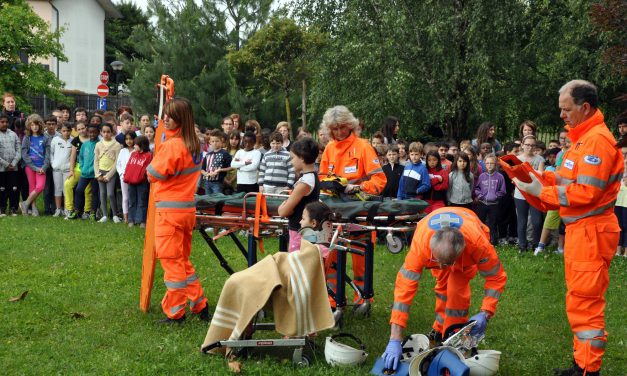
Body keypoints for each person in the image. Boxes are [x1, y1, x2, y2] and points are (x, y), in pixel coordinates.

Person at [513, 80, 623, 376]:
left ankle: (589, 370)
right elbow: (563, 182)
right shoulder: (582, 139)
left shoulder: (596, 141)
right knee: (579, 300)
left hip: (591, 233)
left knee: (586, 302)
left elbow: (586, 193)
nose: (561, 115)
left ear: (584, 108)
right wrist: (532, 177)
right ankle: (582, 364)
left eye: (566, 109)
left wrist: (540, 190)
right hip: (582, 233)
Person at [381, 207, 507, 372]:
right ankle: (439, 330)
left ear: (461, 251)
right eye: (437, 260)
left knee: (456, 293)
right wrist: (395, 337)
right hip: (436, 242)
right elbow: (404, 290)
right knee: (442, 286)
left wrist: (486, 312)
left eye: (446, 263)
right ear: (432, 248)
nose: (440, 267)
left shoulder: (477, 244)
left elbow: (496, 277)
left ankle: (452, 341)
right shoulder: (421, 245)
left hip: (468, 237)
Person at [146, 98, 209, 324]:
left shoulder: (172, 145)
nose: (165, 119)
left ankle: (175, 312)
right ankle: (199, 303)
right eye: (165, 115)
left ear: (180, 120)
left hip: (169, 213)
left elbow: (152, 174)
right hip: (186, 211)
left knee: (172, 263)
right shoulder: (195, 145)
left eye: (170, 116)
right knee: (182, 260)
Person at [318, 105, 386, 306]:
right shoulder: (330, 148)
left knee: (361, 257)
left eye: (341, 127)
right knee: (329, 253)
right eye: (334, 128)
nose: (338, 132)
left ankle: (363, 297)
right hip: (332, 211)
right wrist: (332, 186)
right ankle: (332, 297)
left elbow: (379, 181)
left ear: (350, 125)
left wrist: (356, 188)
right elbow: (322, 176)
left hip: (358, 210)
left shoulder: (363, 146)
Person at [277, 137, 320, 252]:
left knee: (296, 265)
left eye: (292, 158)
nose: (291, 161)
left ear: (301, 158)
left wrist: (283, 206)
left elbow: (283, 212)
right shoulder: (311, 177)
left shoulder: (304, 183)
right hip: (304, 229)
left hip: (299, 230)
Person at [514, 134, 544, 252]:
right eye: (527, 145)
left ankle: (535, 244)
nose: (530, 147)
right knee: (522, 221)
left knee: (536, 221)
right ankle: (522, 245)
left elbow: (541, 175)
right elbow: (514, 176)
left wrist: (528, 173)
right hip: (520, 194)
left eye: (532, 145)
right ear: (522, 145)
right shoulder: (517, 159)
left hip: (535, 194)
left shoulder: (539, 159)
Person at [19, 115, 50, 216]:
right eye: (32, 125)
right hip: (30, 167)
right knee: (32, 187)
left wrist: (44, 167)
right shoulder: (27, 138)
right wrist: (34, 167)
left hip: (42, 167)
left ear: (40, 125)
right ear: (29, 126)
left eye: (36, 124)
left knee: (40, 186)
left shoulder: (45, 138)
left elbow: (48, 154)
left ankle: (25, 203)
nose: (35, 127)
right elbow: (24, 154)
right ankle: (33, 207)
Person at [474, 154, 506, 245]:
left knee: (493, 223)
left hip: (494, 204)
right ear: (484, 164)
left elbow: (503, 191)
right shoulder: (482, 176)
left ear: (496, 164)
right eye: (487, 163)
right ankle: (481, 239)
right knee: (481, 222)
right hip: (482, 203)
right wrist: (480, 196)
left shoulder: (500, 177)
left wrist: (496, 196)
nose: (489, 165)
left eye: (492, 163)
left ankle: (493, 241)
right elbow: (477, 188)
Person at [94, 123, 122, 223]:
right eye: (104, 132)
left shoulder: (116, 145)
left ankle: (115, 215)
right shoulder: (98, 144)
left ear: (112, 132)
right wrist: (98, 174)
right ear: (101, 132)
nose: (106, 134)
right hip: (100, 172)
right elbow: (96, 160)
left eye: (108, 132)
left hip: (111, 173)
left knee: (110, 194)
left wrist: (109, 175)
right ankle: (105, 215)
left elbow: (117, 162)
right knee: (102, 193)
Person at [63, 121, 92, 219]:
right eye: (79, 129)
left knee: (88, 189)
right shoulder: (76, 140)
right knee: (67, 184)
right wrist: (71, 170)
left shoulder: (92, 139)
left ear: (86, 127)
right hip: (78, 168)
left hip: (89, 169)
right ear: (76, 131)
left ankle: (87, 211)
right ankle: (69, 209)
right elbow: (73, 156)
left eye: (83, 128)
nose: (81, 131)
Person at [124, 135, 152, 228]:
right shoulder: (133, 154)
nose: (134, 146)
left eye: (136, 144)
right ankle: (131, 219)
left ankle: (142, 221)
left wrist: (142, 176)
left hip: (142, 182)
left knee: (142, 201)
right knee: (131, 201)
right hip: (131, 181)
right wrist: (126, 176)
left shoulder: (148, 155)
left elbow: (147, 168)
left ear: (142, 145)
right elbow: (128, 165)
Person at [50, 123, 73, 217]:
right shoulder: (55, 139)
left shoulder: (73, 140)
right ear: (60, 131)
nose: (66, 133)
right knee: (58, 189)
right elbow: (51, 152)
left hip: (67, 169)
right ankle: (58, 209)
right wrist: (53, 164)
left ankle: (67, 209)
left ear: (71, 131)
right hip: (57, 169)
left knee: (66, 189)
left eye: (68, 131)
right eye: (64, 131)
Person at [0, 113, 20, 216]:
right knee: (2, 189)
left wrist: (13, 163)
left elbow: (18, 150)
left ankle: (13, 208)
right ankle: (2, 208)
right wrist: (6, 164)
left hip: (13, 168)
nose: (4, 124)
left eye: (6, 122)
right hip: (2, 169)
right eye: (2, 122)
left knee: (13, 188)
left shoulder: (13, 134)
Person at [200, 129, 232, 194]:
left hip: (218, 182)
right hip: (207, 182)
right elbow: (202, 169)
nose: (215, 143)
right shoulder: (208, 155)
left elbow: (231, 167)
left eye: (217, 141)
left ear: (221, 141)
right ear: (210, 142)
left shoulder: (225, 153)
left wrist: (220, 170)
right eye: (213, 141)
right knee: (208, 200)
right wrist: (207, 174)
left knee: (217, 200)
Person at [116, 132, 137, 223]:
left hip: (134, 177)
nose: (129, 141)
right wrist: (121, 174)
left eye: (131, 139)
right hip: (124, 177)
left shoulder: (136, 151)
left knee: (134, 197)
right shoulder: (122, 151)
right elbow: (118, 164)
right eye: (127, 139)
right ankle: (126, 217)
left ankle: (134, 216)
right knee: (125, 197)